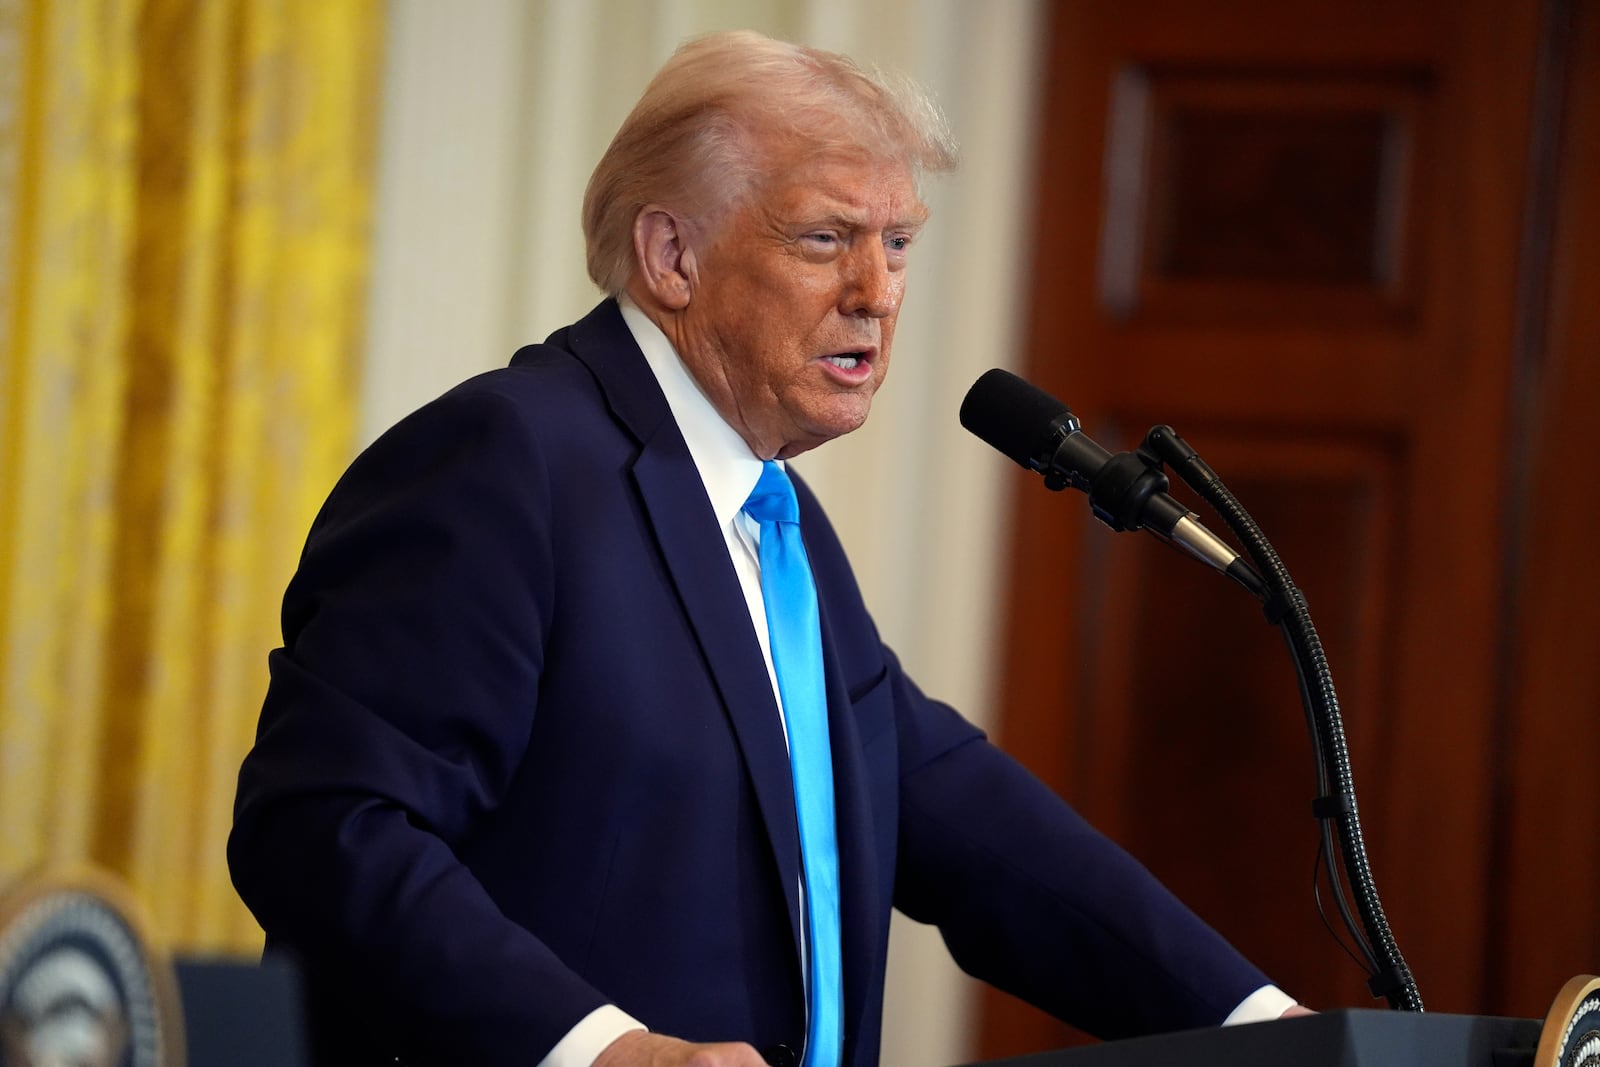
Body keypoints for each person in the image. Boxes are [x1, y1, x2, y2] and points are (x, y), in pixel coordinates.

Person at [228, 29, 1301, 1067]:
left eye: (898, 243)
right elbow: (325, 820)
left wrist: (1262, 1025)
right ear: (672, 254)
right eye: (826, 237)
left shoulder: (769, 518)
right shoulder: (509, 460)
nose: (876, 293)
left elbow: (960, 816)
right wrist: (605, 1048)